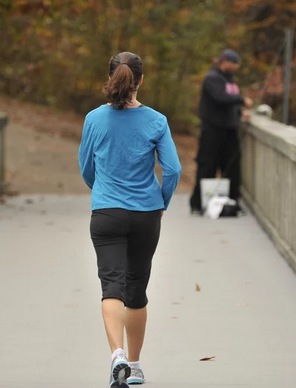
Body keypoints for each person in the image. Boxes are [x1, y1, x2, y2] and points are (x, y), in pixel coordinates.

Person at [79, 52, 182, 387]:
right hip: (145, 214)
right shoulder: (157, 120)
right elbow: (173, 170)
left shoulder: (94, 119)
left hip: (106, 212)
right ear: (140, 80)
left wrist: (104, 193)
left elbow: (86, 168)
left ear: (111, 78)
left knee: (111, 285)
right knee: (136, 288)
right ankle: (135, 366)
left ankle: (117, 356)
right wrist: (160, 201)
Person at [189, 49, 252, 215]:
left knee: (232, 167)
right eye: (235, 63)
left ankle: (232, 202)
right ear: (226, 62)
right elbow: (220, 98)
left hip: (230, 131)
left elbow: (228, 103)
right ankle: (198, 203)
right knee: (207, 166)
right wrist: (242, 100)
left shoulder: (230, 80)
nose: (237, 67)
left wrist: (239, 112)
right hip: (212, 131)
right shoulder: (212, 78)